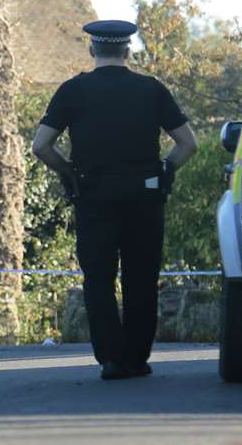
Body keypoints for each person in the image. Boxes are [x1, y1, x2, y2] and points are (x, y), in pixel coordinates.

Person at [31, 19, 198, 380]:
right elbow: (188, 143)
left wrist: (68, 172)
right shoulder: (152, 90)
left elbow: (41, 146)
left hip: (93, 195)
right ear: (127, 51)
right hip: (145, 196)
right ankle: (136, 358)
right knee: (142, 276)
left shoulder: (72, 91)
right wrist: (166, 170)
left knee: (98, 278)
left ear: (92, 50)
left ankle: (109, 358)